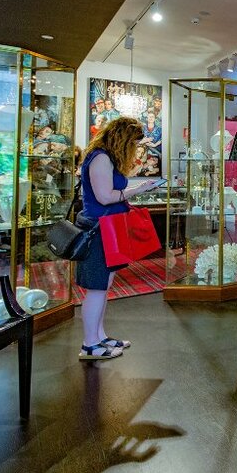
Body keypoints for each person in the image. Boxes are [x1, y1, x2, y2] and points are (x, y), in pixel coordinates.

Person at [76, 117, 159, 360]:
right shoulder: (101, 158)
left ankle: (99, 336)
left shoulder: (103, 157)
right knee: (97, 287)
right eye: (133, 142)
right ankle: (90, 344)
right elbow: (104, 196)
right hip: (99, 229)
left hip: (107, 227)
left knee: (104, 286)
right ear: (123, 139)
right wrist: (139, 189)